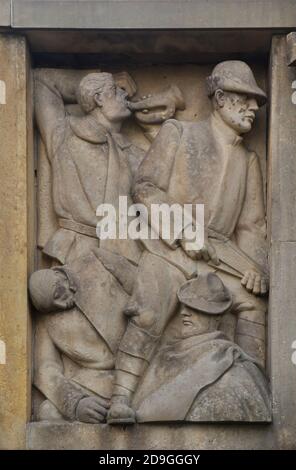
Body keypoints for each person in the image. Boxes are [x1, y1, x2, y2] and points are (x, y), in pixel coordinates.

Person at [107, 61, 269, 424]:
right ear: (221, 99)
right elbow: (145, 188)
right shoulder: (178, 132)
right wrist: (183, 232)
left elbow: (251, 227)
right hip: (169, 251)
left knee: (253, 304)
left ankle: (251, 387)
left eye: (256, 101)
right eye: (245, 98)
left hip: (218, 261)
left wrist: (255, 269)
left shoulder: (249, 160)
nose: (253, 108)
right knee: (149, 309)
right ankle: (121, 398)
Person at [35, 69, 144, 264]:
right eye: (116, 90)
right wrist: (90, 80)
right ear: (99, 98)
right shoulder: (64, 132)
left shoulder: (133, 154)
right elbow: (42, 81)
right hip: (77, 252)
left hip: (125, 257)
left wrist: (152, 128)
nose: (124, 94)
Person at [132, 273, 271, 423]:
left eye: (195, 308)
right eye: (185, 307)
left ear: (217, 316)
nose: (184, 313)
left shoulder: (235, 367)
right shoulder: (165, 355)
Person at [29, 248, 137, 423]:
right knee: (48, 412)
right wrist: (76, 403)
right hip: (98, 380)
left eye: (58, 295)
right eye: (53, 307)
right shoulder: (47, 321)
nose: (61, 305)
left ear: (59, 275)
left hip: (142, 361)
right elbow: (45, 368)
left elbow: (142, 286)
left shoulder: (96, 261)